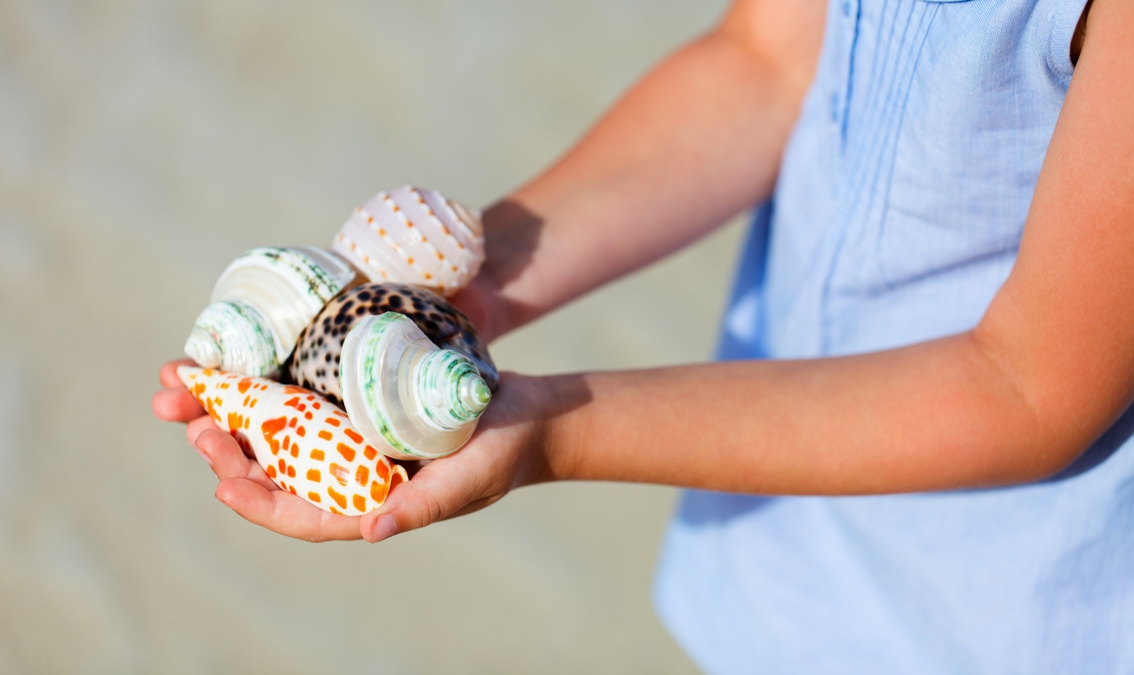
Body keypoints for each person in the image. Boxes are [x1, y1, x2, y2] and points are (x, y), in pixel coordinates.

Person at [153, 0, 1134, 670]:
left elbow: (1025, 386)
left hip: (998, 627)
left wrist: (553, 428)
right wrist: (455, 293)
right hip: (777, 564)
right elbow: (766, 64)